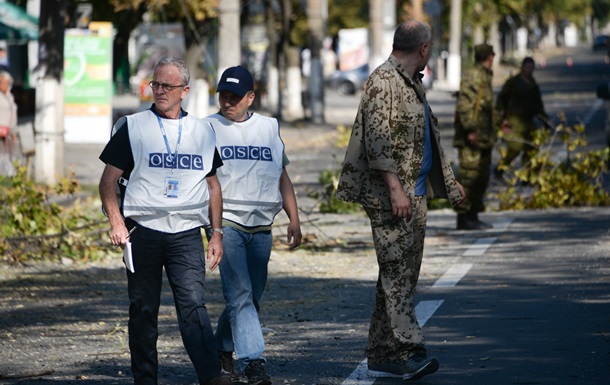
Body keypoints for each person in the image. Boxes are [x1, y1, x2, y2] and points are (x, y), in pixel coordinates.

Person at [336, 20, 465, 381]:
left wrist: (450, 182)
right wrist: (395, 189)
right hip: (391, 198)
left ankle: (380, 354)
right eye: (431, 47)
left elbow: (428, 139)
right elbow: (377, 141)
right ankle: (410, 349)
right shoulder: (383, 81)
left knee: (399, 276)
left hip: (416, 194)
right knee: (397, 276)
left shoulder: (413, 83)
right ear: (423, 49)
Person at [98, 56, 230, 385]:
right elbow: (107, 182)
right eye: (155, 84)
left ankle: (212, 376)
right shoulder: (133, 126)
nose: (159, 91)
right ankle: (145, 379)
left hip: (186, 232)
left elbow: (213, 186)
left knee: (194, 306)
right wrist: (116, 221)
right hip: (143, 232)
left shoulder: (202, 130)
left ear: (185, 90)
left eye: (167, 86)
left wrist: (216, 234)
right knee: (143, 310)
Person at [201, 66, 302, 385]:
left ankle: (221, 348)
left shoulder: (268, 128)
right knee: (241, 293)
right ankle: (253, 361)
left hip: (261, 226)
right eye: (223, 95)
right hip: (226, 222)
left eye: (234, 96)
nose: (227, 101)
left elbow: (281, 174)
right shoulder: (206, 128)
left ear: (250, 97)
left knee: (251, 296)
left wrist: (294, 218)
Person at [452, 43, 498, 230]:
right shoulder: (473, 75)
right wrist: (470, 129)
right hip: (472, 136)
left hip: (484, 135)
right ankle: (464, 216)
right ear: (489, 57)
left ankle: (474, 214)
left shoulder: (485, 76)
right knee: (469, 176)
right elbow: (464, 105)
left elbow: (485, 105)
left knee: (481, 176)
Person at [495, 56, 548, 176]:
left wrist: (545, 120)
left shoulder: (533, 84)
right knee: (515, 148)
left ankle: (527, 176)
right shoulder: (513, 82)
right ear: (522, 67)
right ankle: (500, 168)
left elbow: (538, 105)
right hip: (514, 121)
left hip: (528, 121)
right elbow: (501, 99)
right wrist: (501, 120)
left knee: (531, 149)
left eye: (532, 68)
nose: (530, 70)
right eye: (528, 67)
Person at [0, 70, 17, 173]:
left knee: (9, 155)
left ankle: (9, 177)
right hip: (1, 131)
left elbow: (13, 114)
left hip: (9, 131)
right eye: (1, 82)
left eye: (5, 83)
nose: (3, 85)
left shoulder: (10, 97)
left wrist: (14, 130)